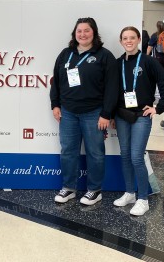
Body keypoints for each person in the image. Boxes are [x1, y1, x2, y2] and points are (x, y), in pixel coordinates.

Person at [50, 17, 119, 205]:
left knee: (95, 153)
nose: (82, 34)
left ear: (94, 33)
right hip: (68, 112)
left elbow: (113, 87)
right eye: (79, 31)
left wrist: (106, 113)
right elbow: (55, 81)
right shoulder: (66, 54)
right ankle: (68, 188)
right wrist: (55, 104)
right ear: (75, 34)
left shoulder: (104, 55)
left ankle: (95, 190)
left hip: (94, 113)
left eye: (87, 30)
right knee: (68, 152)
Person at [112, 26, 164, 216]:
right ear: (121, 41)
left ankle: (143, 199)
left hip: (141, 117)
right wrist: (113, 114)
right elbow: (112, 91)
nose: (128, 41)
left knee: (136, 157)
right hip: (122, 116)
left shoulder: (148, 61)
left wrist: (158, 107)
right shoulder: (117, 63)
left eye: (132, 37)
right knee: (125, 155)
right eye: (125, 38)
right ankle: (130, 193)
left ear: (138, 40)